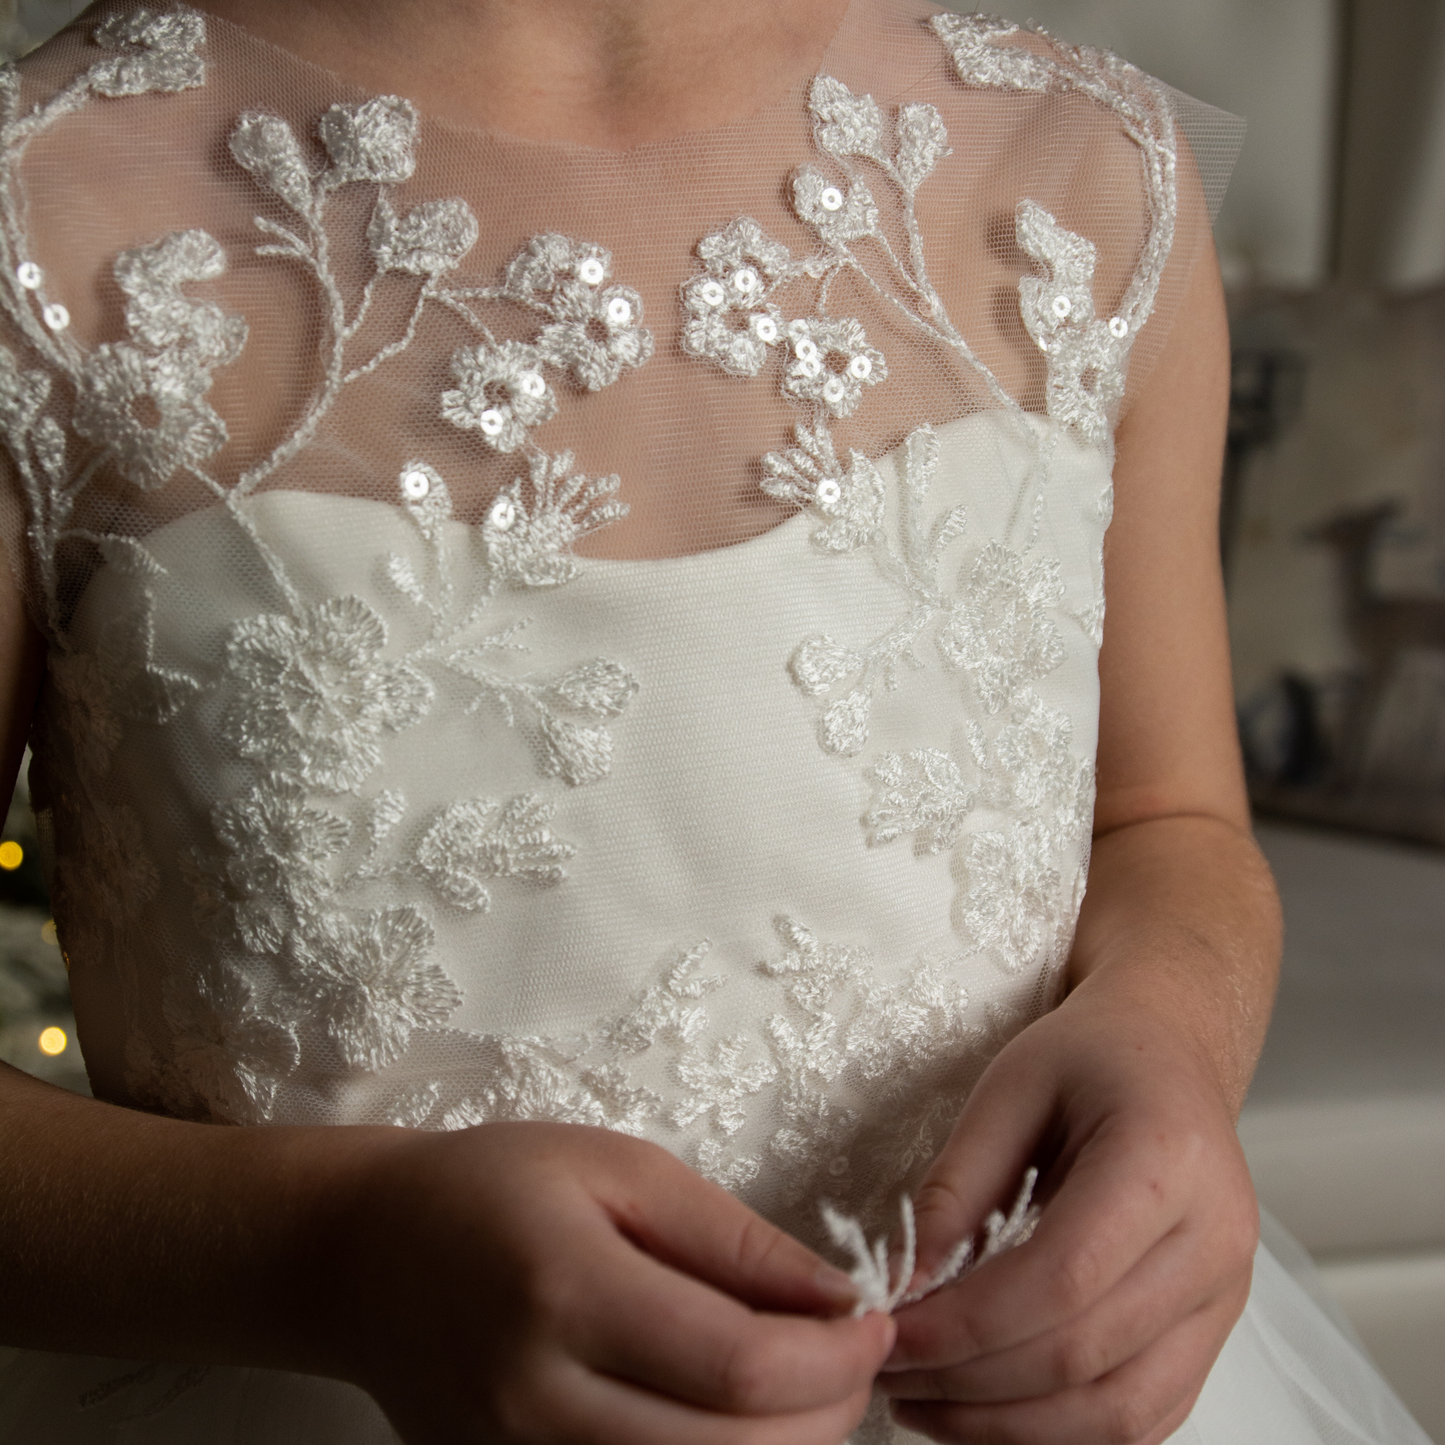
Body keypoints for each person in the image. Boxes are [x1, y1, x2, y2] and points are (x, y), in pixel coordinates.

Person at [0, 1, 1429, 1442]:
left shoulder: (1086, 172)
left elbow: (1167, 819)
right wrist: (331, 1260)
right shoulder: (41, 217)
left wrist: (1173, 1032)